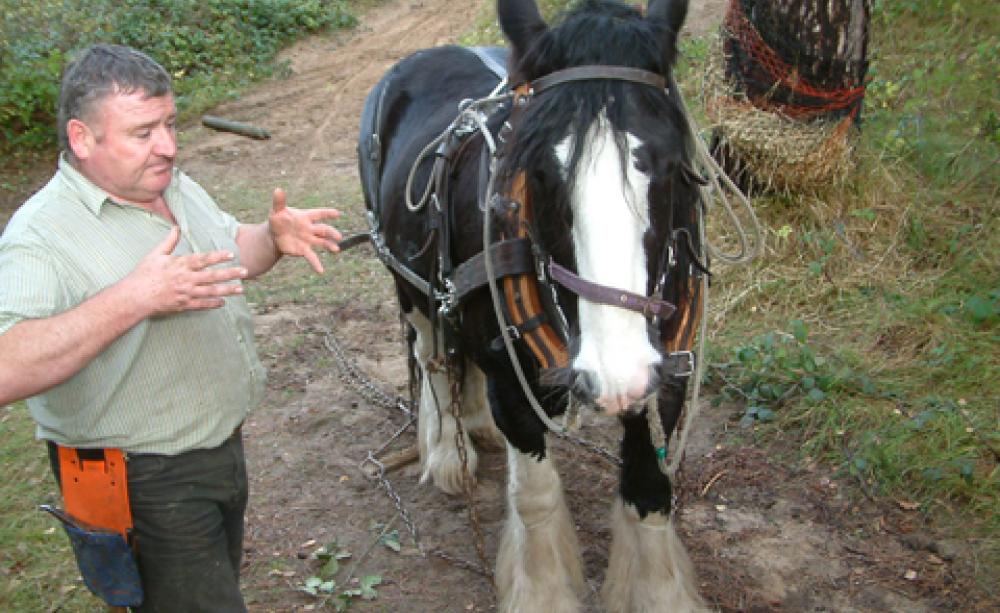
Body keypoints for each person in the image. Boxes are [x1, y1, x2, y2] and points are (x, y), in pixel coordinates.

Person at [0, 43, 342, 611]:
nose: (168, 146)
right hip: (140, 482)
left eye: (170, 124)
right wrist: (133, 298)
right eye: (143, 132)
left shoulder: (171, 186)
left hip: (217, 454)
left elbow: (231, 252)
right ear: (82, 138)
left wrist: (271, 238)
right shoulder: (40, 236)